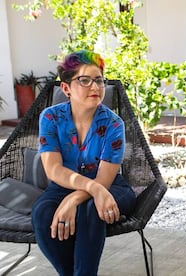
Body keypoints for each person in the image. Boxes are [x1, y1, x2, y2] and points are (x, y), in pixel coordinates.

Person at [31, 50, 136, 276]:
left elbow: (104, 180)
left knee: (91, 209)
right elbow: (53, 170)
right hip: (64, 185)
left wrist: (74, 199)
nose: (95, 87)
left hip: (111, 187)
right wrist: (86, 190)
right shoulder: (50, 117)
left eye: (99, 80)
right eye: (84, 80)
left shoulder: (113, 124)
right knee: (42, 214)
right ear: (66, 88)